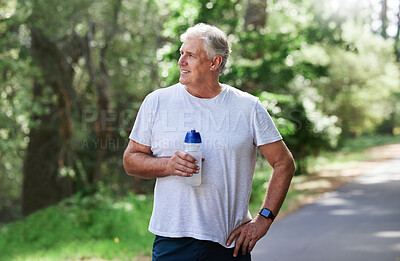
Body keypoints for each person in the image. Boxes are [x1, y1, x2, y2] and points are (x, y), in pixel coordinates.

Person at [123, 23, 295, 261]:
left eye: (190, 55)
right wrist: (168, 165)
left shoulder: (248, 107)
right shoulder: (157, 102)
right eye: (181, 53)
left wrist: (263, 220)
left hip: (229, 244)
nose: (181, 61)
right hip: (173, 241)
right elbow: (131, 160)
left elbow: (284, 163)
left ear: (214, 63)